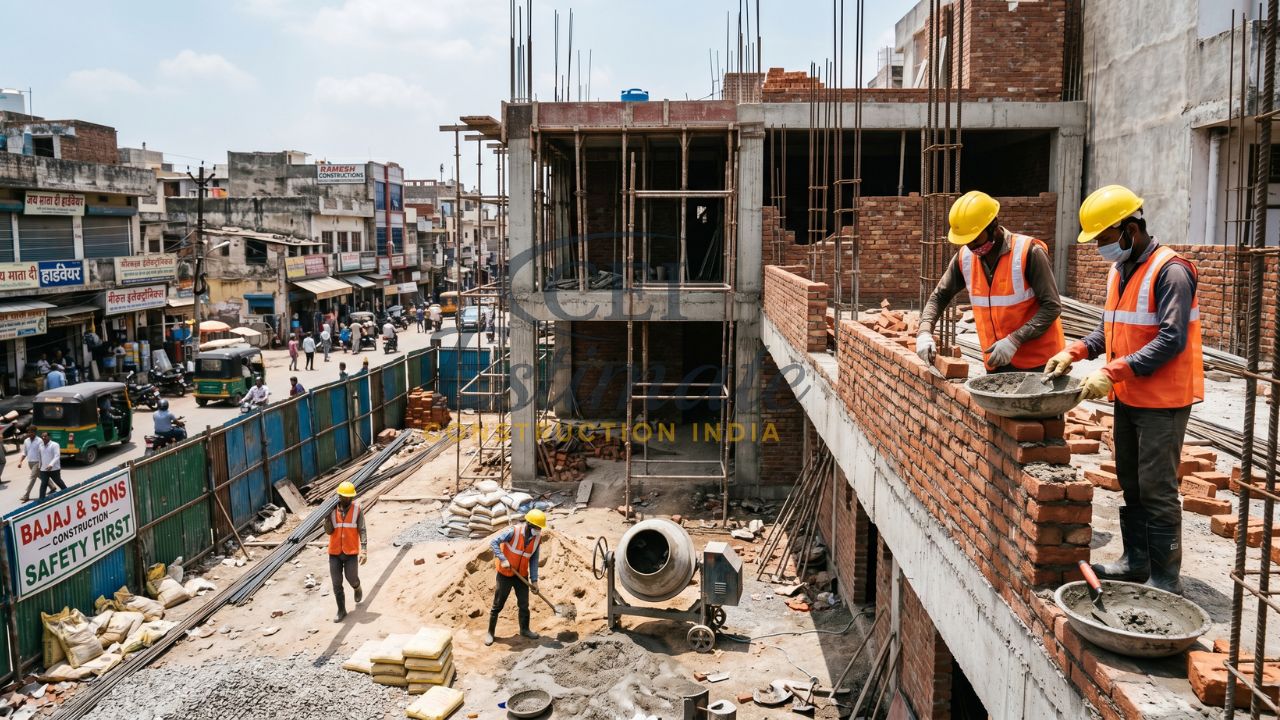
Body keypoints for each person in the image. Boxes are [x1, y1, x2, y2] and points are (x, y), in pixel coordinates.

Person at [1045, 185, 1203, 595]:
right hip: (1131, 396)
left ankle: (1166, 577)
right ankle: (1137, 561)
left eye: (1103, 239)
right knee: (1130, 480)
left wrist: (1112, 373)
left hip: (1163, 401)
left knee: (1157, 486)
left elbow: (1171, 339)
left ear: (1130, 230)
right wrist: (1076, 351)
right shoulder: (1122, 270)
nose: (1101, 248)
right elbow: (1111, 328)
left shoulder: (1172, 271)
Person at [916, 191, 1065, 373]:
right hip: (997, 362)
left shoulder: (1029, 252)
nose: (972, 247)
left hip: (1040, 364)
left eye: (976, 239)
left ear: (993, 225)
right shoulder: (965, 257)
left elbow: (1052, 306)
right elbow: (939, 296)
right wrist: (924, 331)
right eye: (967, 242)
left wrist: (1015, 339)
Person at [484, 508, 547, 646]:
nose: (539, 530)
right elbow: (494, 542)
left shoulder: (537, 539)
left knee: (524, 604)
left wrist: (534, 581)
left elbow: (534, 560)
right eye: (537, 527)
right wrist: (502, 558)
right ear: (529, 525)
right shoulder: (513, 531)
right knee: (497, 605)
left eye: (540, 528)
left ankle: (525, 629)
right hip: (505, 574)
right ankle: (490, 632)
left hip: (521, 575)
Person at [323, 481, 367, 622]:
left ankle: (357, 587)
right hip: (334, 552)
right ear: (339, 496)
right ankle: (341, 610)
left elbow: (362, 529)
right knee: (336, 582)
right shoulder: (331, 510)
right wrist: (326, 519)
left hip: (350, 552)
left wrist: (364, 550)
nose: (347, 499)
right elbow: (329, 531)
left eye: (350, 497)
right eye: (345, 497)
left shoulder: (357, 510)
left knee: (351, 577)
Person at [38, 431, 66, 499]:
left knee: (58, 482)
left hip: (54, 469)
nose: (43, 438)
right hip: (44, 469)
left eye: (45, 436)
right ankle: (41, 500)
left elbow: (57, 456)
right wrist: (39, 466)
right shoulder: (40, 445)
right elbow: (40, 457)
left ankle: (67, 492)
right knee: (43, 484)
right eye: (42, 436)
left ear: (49, 437)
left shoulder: (55, 445)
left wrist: (51, 465)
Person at [18, 427, 40, 501]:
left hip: (37, 462)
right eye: (28, 432)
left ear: (35, 432)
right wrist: (20, 461)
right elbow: (25, 452)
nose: (30, 434)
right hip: (30, 462)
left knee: (32, 478)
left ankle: (26, 495)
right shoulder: (26, 441)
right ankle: (52, 486)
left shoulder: (39, 441)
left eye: (31, 432)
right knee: (40, 476)